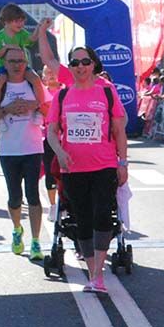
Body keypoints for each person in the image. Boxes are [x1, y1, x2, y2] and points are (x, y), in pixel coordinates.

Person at [46, 46, 128, 293]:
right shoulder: (62, 95)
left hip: (104, 164)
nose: (80, 67)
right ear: (70, 67)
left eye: (85, 62)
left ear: (93, 64)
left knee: (102, 215)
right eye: (75, 63)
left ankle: (98, 274)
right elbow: (51, 131)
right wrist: (59, 152)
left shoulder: (107, 92)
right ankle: (93, 273)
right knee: (82, 219)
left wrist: (123, 163)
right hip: (73, 169)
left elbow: (119, 131)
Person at [0, 47, 47, 260]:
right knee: (15, 197)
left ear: (26, 63)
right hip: (9, 151)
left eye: (20, 61)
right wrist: (7, 109)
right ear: (5, 64)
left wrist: (32, 105)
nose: (17, 65)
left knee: (33, 195)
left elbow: (50, 111)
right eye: (12, 61)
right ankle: (17, 229)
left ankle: (36, 241)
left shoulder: (34, 84)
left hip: (32, 148)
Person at [0, 4, 46, 113]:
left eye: (22, 21)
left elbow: (32, 39)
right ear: (6, 21)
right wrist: (7, 47)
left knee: (35, 79)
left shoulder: (21, 33)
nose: (21, 24)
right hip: (3, 67)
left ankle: (40, 107)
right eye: (17, 21)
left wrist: (39, 27)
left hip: (21, 66)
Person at [41, 64, 63, 220]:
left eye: (53, 72)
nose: (51, 75)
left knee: (66, 173)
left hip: (66, 138)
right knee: (50, 172)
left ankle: (65, 203)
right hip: (47, 138)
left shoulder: (66, 91)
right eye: (48, 73)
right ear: (43, 76)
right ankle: (53, 205)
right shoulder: (41, 94)